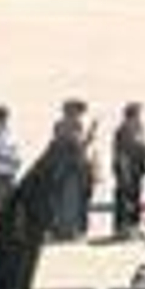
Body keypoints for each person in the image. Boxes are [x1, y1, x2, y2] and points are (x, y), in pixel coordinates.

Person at [48, 99, 93, 242]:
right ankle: (67, 231)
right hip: (70, 170)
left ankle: (66, 230)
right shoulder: (69, 126)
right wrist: (90, 136)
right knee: (70, 201)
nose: (79, 116)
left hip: (67, 169)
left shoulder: (63, 126)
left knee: (68, 201)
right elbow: (77, 146)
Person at [110, 103, 145, 240]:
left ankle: (132, 227)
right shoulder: (123, 130)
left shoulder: (136, 129)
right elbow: (121, 153)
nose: (139, 117)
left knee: (134, 198)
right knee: (125, 198)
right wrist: (124, 171)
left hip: (136, 169)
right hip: (127, 169)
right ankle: (123, 228)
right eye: (137, 114)